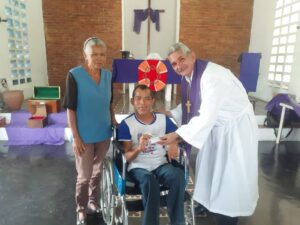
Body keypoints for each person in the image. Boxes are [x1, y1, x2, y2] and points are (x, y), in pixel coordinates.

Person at [158, 42, 259, 225]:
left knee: (229, 177)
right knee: (210, 168)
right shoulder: (190, 76)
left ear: (192, 56)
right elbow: (192, 103)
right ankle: (209, 203)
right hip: (216, 128)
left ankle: (228, 214)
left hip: (234, 131)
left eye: (182, 59)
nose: (179, 66)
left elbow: (205, 116)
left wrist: (177, 135)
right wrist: (172, 113)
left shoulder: (212, 77)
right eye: (174, 63)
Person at [63, 37, 116, 225]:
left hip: (103, 133)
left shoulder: (108, 75)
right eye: (94, 54)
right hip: (83, 135)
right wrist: (75, 137)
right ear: (85, 55)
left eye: (102, 54)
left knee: (98, 172)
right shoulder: (74, 75)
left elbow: (109, 103)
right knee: (84, 176)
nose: (99, 58)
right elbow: (71, 108)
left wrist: (114, 121)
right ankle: (81, 208)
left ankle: (93, 201)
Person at [117, 84, 185, 225]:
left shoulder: (163, 120)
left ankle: (177, 222)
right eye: (138, 99)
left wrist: (173, 143)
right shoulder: (126, 124)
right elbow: (127, 157)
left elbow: (177, 135)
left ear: (153, 100)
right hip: (138, 167)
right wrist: (138, 149)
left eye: (147, 99)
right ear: (132, 101)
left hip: (160, 163)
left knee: (178, 175)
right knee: (149, 180)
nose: (142, 103)